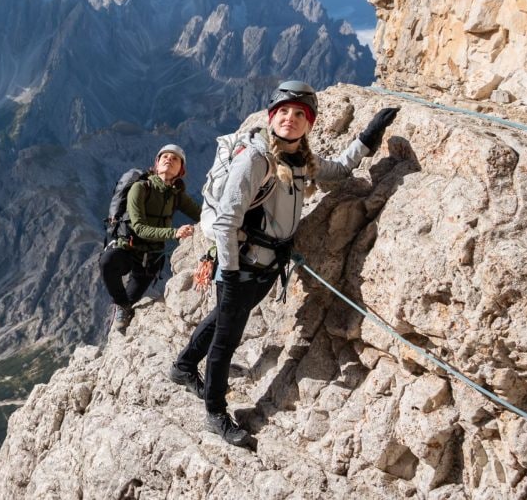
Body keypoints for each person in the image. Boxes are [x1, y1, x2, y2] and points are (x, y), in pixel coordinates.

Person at [168, 81, 399, 446]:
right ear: (271, 117)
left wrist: (368, 137)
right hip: (240, 267)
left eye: (299, 114)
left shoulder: (301, 160)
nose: (290, 119)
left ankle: (182, 367)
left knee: (221, 322)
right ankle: (215, 411)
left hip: (263, 269)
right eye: (283, 112)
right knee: (227, 339)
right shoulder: (257, 159)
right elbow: (227, 221)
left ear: (309, 124)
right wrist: (228, 274)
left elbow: (338, 171)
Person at [100, 144, 201, 333]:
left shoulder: (176, 195)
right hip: (128, 250)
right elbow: (138, 228)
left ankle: (123, 314)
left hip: (151, 260)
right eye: (165, 157)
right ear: (157, 163)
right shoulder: (140, 188)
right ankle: (120, 306)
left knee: (130, 304)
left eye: (175, 158)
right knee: (107, 262)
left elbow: (201, 214)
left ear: (181, 170)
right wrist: (174, 233)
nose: (169, 159)